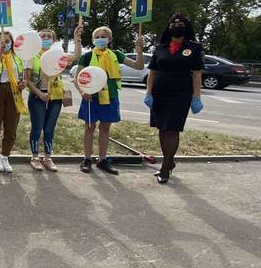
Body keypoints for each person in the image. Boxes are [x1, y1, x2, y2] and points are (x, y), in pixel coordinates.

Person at [144, 13, 204, 184]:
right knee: (162, 128)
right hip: (160, 93)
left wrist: (196, 97)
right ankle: (169, 162)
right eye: (173, 23)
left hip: (181, 94)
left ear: (187, 27)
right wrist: (148, 93)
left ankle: (165, 168)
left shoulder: (194, 48)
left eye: (180, 23)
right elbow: (152, 72)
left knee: (172, 129)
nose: (176, 25)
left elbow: (197, 75)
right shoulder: (160, 48)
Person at [75, 26, 145, 175]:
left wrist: (139, 49)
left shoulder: (116, 54)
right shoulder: (87, 57)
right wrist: (82, 92)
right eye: (98, 36)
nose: (101, 39)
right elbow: (77, 78)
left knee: (105, 128)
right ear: (94, 40)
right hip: (91, 97)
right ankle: (87, 159)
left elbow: (139, 66)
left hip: (110, 96)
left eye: (104, 36)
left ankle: (102, 159)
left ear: (110, 39)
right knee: (89, 127)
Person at [25, 25, 83, 171]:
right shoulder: (32, 56)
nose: (45, 39)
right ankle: (35, 157)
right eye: (42, 37)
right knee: (37, 128)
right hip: (38, 96)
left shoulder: (58, 55)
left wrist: (77, 37)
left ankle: (48, 157)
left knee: (50, 129)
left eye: (48, 37)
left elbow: (76, 56)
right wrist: (39, 93)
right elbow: (28, 80)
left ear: (54, 40)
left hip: (55, 97)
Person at [0, 31, 27, 173]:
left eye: (7, 41)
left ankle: (5, 156)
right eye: (1, 41)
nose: (5, 43)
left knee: (11, 125)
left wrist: (24, 83)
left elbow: (23, 77)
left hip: (14, 92)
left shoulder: (18, 58)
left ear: (12, 43)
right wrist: (1, 54)